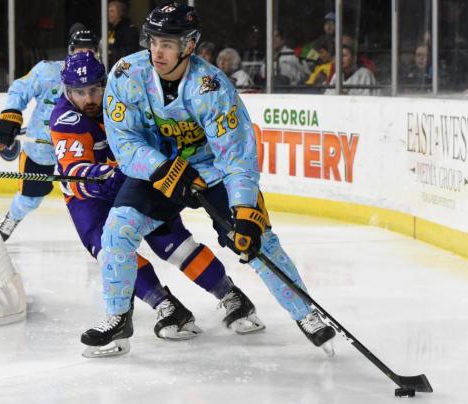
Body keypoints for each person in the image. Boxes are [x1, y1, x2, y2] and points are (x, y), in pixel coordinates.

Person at [82, 1, 336, 357]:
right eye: (154, 41)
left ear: (189, 45)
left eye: (168, 43)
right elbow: (124, 141)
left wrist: (245, 210)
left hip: (210, 171)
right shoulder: (127, 74)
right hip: (157, 170)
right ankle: (118, 317)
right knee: (117, 230)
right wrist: (160, 168)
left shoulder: (211, 87)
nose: (157, 50)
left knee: (258, 240)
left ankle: (306, 313)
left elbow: (237, 155)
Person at [52, 51, 265, 356]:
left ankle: (231, 296)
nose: (89, 98)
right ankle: (165, 305)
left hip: (134, 179)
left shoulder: (121, 96)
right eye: (79, 92)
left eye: (94, 90)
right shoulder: (66, 118)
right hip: (91, 198)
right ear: (67, 91)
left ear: (104, 84)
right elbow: (74, 173)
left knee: (174, 243)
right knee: (108, 248)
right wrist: (101, 174)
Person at [0, 26, 99, 241]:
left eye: (89, 52)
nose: (84, 56)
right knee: (30, 199)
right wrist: (11, 115)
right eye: (79, 51)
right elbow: (19, 88)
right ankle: (11, 220)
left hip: (79, 149)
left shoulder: (101, 79)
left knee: (92, 195)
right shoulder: (49, 71)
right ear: (70, 51)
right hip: (41, 149)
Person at [107, 0, 140, 69]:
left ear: (120, 12)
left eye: (112, 11)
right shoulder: (112, 29)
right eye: (108, 11)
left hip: (123, 70)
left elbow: (129, 53)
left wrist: (110, 52)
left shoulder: (129, 30)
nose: (108, 14)